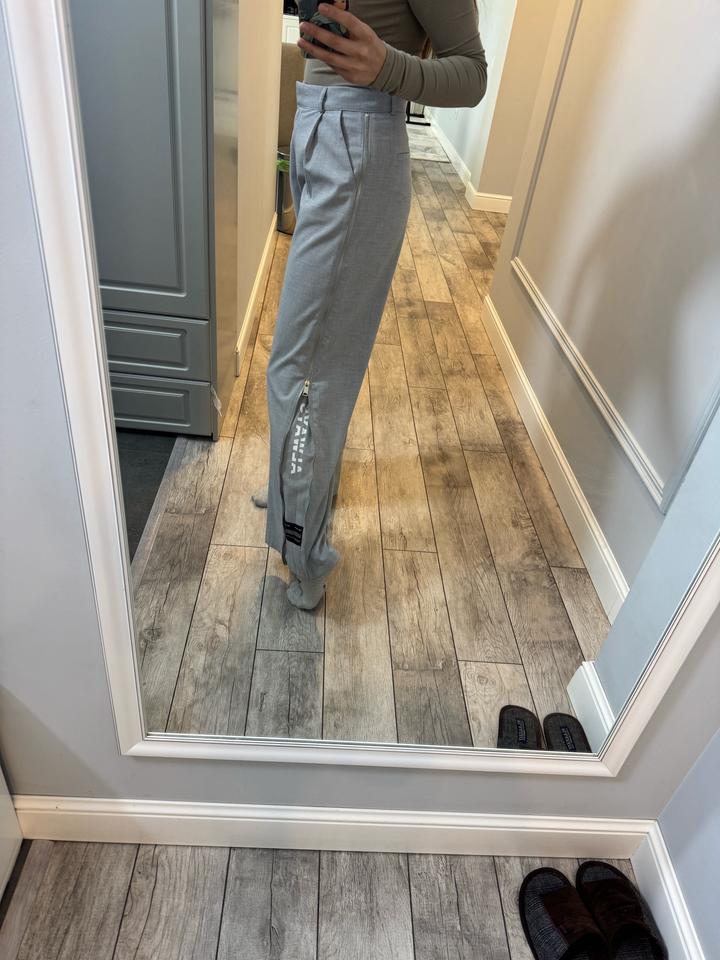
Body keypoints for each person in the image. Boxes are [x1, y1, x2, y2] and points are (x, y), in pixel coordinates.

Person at [255, 0, 487, 610]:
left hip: (357, 139)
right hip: (316, 122)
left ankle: (303, 551)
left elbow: (472, 74)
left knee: (304, 370)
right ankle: (294, 494)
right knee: (311, 356)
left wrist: (387, 66)